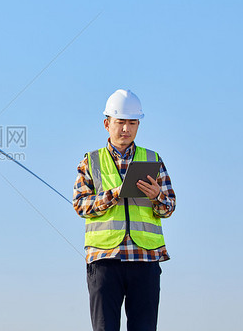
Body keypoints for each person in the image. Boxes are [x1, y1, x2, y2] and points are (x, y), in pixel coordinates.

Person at [73, 89, 176, 331]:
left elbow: (169, 206)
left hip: (145, 258)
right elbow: (80, 205)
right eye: (120, 122)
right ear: (107, 123)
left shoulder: (153, 160)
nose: (126, 129)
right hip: (105, 260)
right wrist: (114, 194)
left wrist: (157, 196)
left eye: (132, 123)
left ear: (138, 124)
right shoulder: (91, 162)